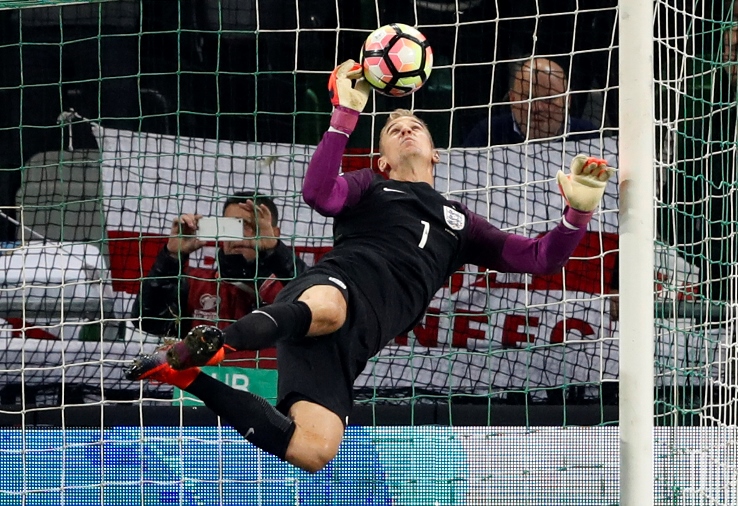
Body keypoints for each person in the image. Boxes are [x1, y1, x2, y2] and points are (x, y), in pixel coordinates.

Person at [125, 60, 615, 473]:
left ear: (436, 152)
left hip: (351, 344)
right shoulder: (369, 186)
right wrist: (344, 117)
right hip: (332, 289)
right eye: (393, 128)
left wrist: (578, 211)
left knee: (313, 450)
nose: (405, 128)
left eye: (415, 126)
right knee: (330, 306)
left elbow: (541, 257)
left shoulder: (461, 222)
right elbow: (318, 193)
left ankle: (186, 376)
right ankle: (217, 343)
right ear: (382, 159)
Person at [131, 191, 307, 341]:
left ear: (274, 233)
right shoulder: (195, 284)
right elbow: (148, 322)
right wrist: (170, 258)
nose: (240, 234)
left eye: (252, 225)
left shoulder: (291, 287)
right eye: (232, 225)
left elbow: (318, 308)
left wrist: (275, 251)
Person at [463, 56, 598, 147]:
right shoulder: (486, 135)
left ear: (567, 100)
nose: (537, 107)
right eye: (528, 98)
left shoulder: (588, 136)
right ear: (512, 99)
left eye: (549, 99)